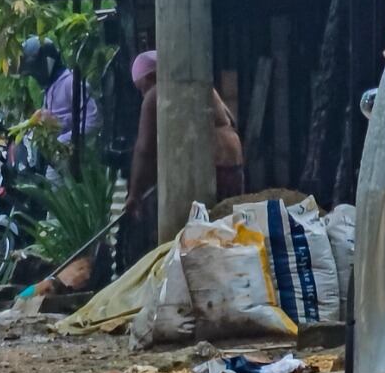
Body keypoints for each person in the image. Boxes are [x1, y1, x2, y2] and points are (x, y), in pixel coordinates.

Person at [122, 50, 246, 251]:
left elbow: (143, 149)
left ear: (151, 77)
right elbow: (231, 121)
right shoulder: (202, 86)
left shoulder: (157, 93)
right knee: (227, 231)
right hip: (234, 163)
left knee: (201, 237)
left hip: (214, 167)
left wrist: (134, 194)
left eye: (141, 88)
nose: (142, 94)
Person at [21, 35, 98, 145]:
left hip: (78, 158)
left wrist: (61, 141)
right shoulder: (52, 87)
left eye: (35, 72)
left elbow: (93, 121)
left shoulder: (70, 83)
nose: (35, 77)